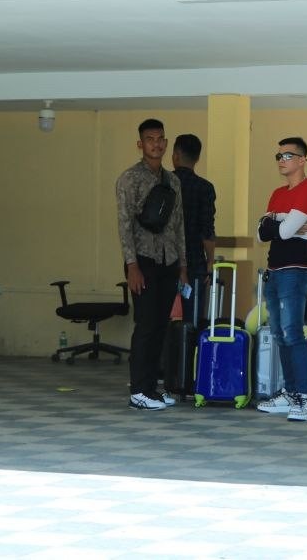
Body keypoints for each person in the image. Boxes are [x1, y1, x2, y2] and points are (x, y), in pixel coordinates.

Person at [116, 119, 188, 412]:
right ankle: (138, 390)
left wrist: (182, 266)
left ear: (166, 143)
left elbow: (179, 226)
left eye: (160, 139)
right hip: (142, 261)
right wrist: (131, 265)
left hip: (169, 260)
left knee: (161, 325)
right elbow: (123, 225)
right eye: (149, 139)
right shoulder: (129, 179)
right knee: (145, 325)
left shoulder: (173, 181)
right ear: (140, 144)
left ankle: (152, 389)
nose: (156, 144)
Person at [255, 137, 307, 422]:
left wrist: (277, 223)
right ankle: (289, 393)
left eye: (288, 155)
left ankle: (302, 398)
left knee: (293, 333)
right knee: (280, 334)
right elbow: (261, 232)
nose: (282, 160)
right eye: (279, 156)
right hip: (275, 271)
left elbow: (280, 232)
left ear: (302, 160)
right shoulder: (277, 192)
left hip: (296, 271)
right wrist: (280, 223)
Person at [171, 134, 216, 326]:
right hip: (195, 262)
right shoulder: (204, 188)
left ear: (175, 154)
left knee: (162, 319)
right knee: (193, 321)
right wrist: (210, 262)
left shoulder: (163, 183)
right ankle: (190, 355)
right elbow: (207, 229)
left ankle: (165, 356)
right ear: (197, 158)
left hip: (165, 262)